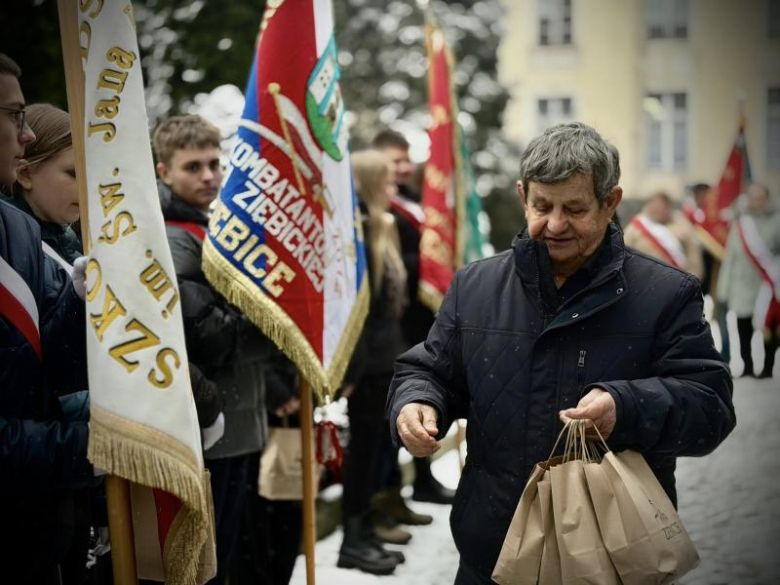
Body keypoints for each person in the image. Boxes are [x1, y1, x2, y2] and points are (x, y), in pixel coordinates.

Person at [388, 122, 736, 584]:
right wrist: (416, 402)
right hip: (491, 550)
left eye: (574, 208)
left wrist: (626, 407)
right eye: (541, 205)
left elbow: (710, 409)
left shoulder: (667, 294)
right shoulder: (475, 285)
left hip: (611, 557)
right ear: (522, 195)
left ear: (610, 202)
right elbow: (429, 370)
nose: (554, 224)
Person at [153, 114, 274, 585]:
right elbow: (212, 337)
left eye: (213, 164)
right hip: (210, 427)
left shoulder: (216, 225)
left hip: (242, 419)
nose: (208, 176)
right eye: (192, 167)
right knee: (206, 564)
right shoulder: (170, 237)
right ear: (163, 171)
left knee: (231, 556)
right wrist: (278, 327)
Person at [0, 53, 97, 584]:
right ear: (27, 176)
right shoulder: (25, 231)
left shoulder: (18, 231)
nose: (27, 136)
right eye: (14, 115)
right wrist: (92, 446)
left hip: (47, 504)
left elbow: (43, 372)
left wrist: (80, 308)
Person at [373, 128, 455, 508]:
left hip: (425, 316)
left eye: (407, 159)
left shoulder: (414, 201)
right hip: (397, 322)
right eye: (395, 161)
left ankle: (422, 479)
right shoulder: (380, 208)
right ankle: (387, 496)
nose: (404, 167)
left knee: (425, 400)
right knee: (399, 408)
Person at [337, 149, 409, 575]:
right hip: (366, 368)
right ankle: (353, 538)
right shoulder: (359, 232)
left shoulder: (380, 226)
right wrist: (352, 370)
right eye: (384, 181)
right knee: (361, 456)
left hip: (386, 360)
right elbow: (356, 311)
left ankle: (364, 531)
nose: (393, 187)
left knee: (376, 450)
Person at [717, 183, 780, 378]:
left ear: (768, 199)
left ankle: (768, 366)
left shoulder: (777, 221)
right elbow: (730, 258)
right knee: (743, 329)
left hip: (768, 286)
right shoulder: (740, 224)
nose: (755, 202)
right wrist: (723, 288)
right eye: (751, 197)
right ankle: (747, 365)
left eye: (760, 197)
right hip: (742, 286)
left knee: (770, 328)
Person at [623, 190, 703, 280]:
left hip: (676, 281)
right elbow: (624, 253)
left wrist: (692, 281)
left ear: (669, 207)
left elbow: (693, 258)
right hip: (642, 279)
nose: (658, 209)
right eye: (655, 205)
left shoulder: (682, 225)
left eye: (662, 206)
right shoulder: (637, 226)